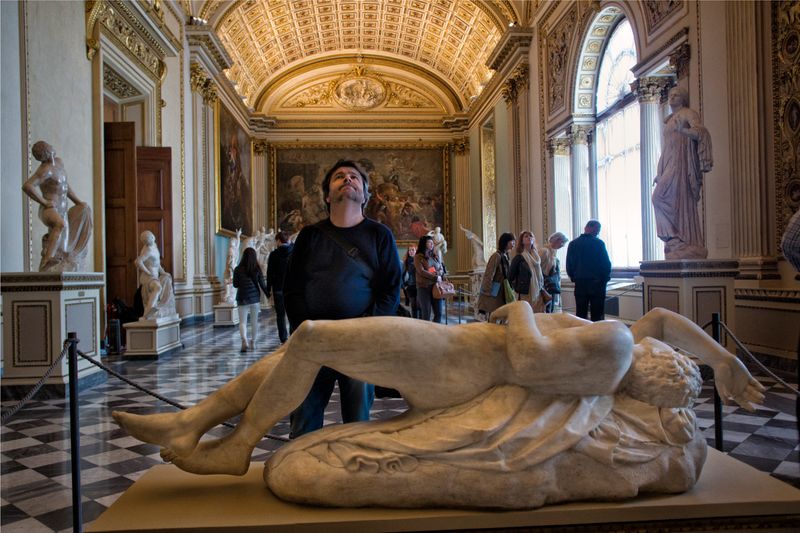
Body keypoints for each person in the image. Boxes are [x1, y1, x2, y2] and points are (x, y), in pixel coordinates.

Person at [112, 301, 764, 509]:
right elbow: (665, 319)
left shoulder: (617, 350)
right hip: (454, 349)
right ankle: (194, 420)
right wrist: (724, 359)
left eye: (673, 360)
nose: (666, 348)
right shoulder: (627, 345)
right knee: (305, 347)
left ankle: (235, 444)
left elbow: (533, 357)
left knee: (313, 338)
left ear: (651, 373)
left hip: (458, 365)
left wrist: (522, 309)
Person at [283, 159, 401, 438]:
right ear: (327, 194)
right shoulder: (310, 236)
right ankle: (300, 475)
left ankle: (352, 475)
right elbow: (293, 288)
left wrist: (366, 329)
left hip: (359, 342)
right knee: (303, 420)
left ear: (365, 193)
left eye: (354, 177)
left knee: (357, 423)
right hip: (314, 340)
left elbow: (390, 289)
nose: (347, 179)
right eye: (339, 176)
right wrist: (305, 329)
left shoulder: (380, 235)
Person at [652, 86, 713, 260]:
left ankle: (684, 240)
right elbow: (666, 149)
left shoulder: (688, 113)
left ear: (684, 98)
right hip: (670, 162)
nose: (672, 98)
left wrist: (684, 131)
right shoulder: (669, 120)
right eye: (670, 95)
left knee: (668, 199)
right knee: (658, 198)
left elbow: (701, 132)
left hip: (682, 164)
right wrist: (659, 171)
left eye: (676, 95)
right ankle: (674, 239)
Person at [22, 140, 92, 272]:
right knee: (60, 224)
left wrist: (78, 202)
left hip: (62, 209)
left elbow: (65, 187)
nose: (52, 147)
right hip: (49, 209)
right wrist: (44, 202)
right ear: (46, 152)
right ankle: (47, 261)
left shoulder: (59, 163)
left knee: (64, 247)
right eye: (49, 147)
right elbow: (27, 186)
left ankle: (58, 262)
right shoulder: (45, 170)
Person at [566, 220, 612, 321]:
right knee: (597, 313)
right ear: (591, 228)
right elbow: (606, 264)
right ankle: (597, 335)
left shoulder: (573, 244)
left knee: (581, 313)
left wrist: (574, 277)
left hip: (580, 283)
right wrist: (605, 279)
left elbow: (569, 265)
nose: (598, 232)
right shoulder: (599, 243)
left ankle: (582, 335)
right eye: (598, 229)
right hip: (597, 283)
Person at [233, 247, 269, 352]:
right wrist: (268, 295)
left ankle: (244, 340)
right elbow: (262, 284)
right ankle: (253, 342)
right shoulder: (257, 269)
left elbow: (235, 285)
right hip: (254, 299)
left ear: (243, 257)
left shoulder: (237, 269)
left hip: (242, 298)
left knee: (242, 322)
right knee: (254, 321)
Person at [134, 230, 176, 320]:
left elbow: (157, 263)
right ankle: (147, 314)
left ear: (152, 237)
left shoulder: (155, 246)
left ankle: (161, 307)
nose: (146, 242)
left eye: (147, 239)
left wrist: (163, 272)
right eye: (144, 241)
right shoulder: (148, 250)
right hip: (148, 277)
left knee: (167, 279)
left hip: (155, 276)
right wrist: (147, 272)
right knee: (158, 288)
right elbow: (138, 262)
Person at [477, 232, 516, 319]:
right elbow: (489, 274)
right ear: (506, 242)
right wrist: (487, 291)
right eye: (512, 242)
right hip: (495, 293)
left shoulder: (505, 256)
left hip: (503, 291)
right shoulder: (496, 256)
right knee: (493, 316)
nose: (514, 244)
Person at [265, 230, 293, 344]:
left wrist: (268, 289)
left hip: (278, 289)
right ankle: (293, 336)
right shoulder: (294, 252)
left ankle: (283, 339)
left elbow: (269, 273)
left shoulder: (274, 254)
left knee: (280, 315)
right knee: (292, 314)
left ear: (278, 241)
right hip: (292, 289)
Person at [508, 231, 546, 312]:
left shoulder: (537, 257)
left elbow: (540, 275)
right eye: (526, 236)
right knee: (525, 314)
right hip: (525, 292)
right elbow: (510, 276)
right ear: (522, 241)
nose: (529, 237)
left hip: (538, 291)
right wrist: (518, 287)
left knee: (537, 315)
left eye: (530, 236)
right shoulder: (519, 257)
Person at [414, 234, 445, 323]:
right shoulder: (418, 257)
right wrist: (435, 277)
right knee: (426, 314)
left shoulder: (435, 256)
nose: (432, 244)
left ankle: (435, 332)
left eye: (432, 243)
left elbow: (441, 268)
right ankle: (425, 334)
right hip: (424, 288)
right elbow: (421, 271)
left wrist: (439, 274)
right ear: (424, 244)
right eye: (430, 242)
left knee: (438, 313)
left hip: (436, 287)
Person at [539, 232, 569, 313]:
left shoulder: (554, 253)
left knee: (550, 308)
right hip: (543, 284)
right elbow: (537, 269)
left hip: (550, 284)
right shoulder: (544, 251)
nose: (563, 245)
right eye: (562, 242)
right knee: (544, 308)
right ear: (557, 240)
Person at [401, 245, 419, 318]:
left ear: (416, 251)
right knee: (413, 305)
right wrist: (404, 285)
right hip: (410, 286)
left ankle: (421, 322)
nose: (411, 252)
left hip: (419, 285)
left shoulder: (419, 260)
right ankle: (415, 321)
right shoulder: (405, 262)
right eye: (409, 250)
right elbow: (402, 274)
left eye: (412, 250)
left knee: (419, 305)